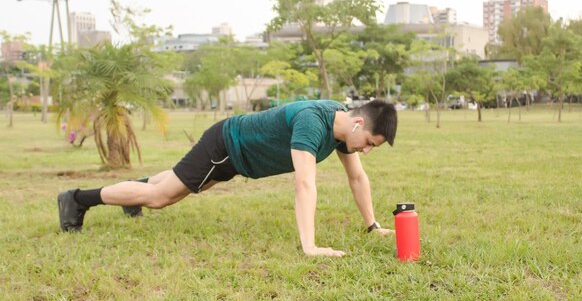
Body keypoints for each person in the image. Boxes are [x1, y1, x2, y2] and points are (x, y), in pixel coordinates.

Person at [57, 99, 397, 257]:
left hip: (237, 158)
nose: (365, 150)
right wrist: (310, 246)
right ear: (357, 124)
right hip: (225, 146)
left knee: (176, 184)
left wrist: (372, 225)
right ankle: (77, 199)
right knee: (162, 198)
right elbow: (305, 183)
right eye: (369, 143)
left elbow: (357, 178)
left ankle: (134, 195)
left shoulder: (342, 131)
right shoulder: (313, 122)